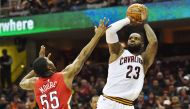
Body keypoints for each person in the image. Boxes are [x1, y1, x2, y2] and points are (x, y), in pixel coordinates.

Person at [19, 18, 108, 109]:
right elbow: (83, 55)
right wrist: (97, 35)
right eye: (49, 61)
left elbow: (22, 83)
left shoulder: (35, 83)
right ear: (49, 67)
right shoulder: (64, 75)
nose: (51, 61)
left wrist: (38, 66)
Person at [97, 13, 158, 109]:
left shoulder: (144, 60)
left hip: (128, 105)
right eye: (130, 38)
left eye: (136, 38)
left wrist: (144, 22)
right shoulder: (118, 52)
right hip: (109, 102)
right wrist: (128, 19)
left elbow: (153, 42)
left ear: (142, 44)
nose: (132, 40)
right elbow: (110, 31)